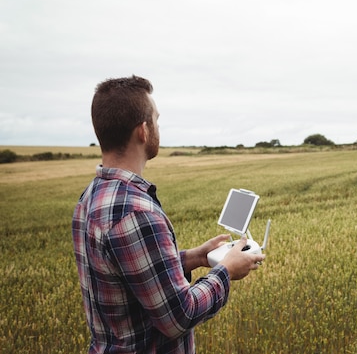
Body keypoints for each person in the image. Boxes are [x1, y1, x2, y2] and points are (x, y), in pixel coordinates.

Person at [72, 75, 265, 353]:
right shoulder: (137, 212)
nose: (158, 126)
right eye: (156, 120)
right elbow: (179, 315)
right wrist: (226, 271)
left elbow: (131, 272)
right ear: (143, 131)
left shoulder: (90, 197)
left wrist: (195, 258)